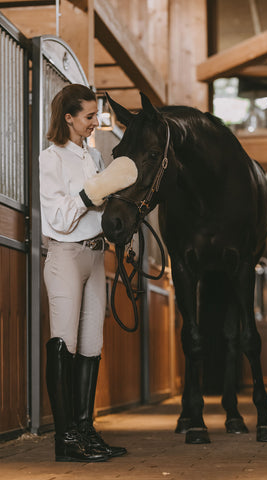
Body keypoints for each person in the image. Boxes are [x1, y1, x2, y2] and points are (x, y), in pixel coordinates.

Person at [39, 84, 137, 462]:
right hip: (65, 256)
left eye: (96, 115)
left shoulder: (94, 157)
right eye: (89, 116)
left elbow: (103, 211)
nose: (95, 122)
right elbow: (60, 217)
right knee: (65, 343)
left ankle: (84, 429)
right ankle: (65, 440)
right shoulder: (51, 159)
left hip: (96, 256)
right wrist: (90, 192)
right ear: (68, 117)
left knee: (92, 345)